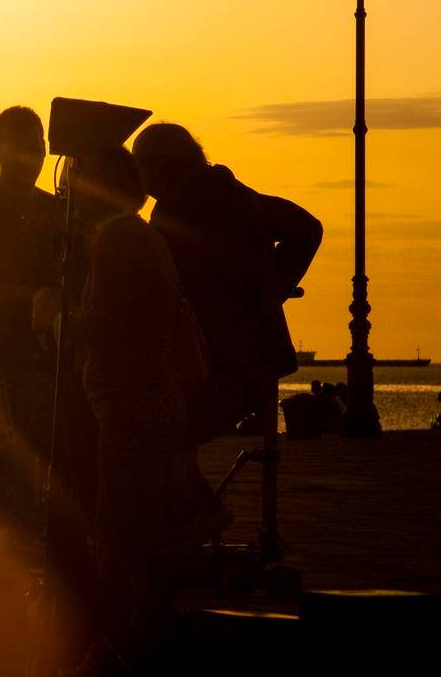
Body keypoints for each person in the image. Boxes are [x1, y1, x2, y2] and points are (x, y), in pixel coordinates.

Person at [42, 146, 186, 677]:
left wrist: (55, 319)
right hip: (138, 397)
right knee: (130, 531)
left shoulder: (119, 236)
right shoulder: (137, 234)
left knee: (124, 538)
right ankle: (128, 653)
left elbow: (102, 323)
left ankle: (118, 662)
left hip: (130, 400)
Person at [131, 123, 322, 442]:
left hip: (216, 358)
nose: (136, 174)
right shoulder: (232, 193)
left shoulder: (178, 209)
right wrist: (273, 287)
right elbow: (306, 227)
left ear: (162, 163)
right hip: (255, 353)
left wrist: (270, 288)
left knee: (163, 441)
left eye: (139, 163)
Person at [0, 106, 63, 535]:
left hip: (50, 354)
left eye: (38, 148)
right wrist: (31, 296)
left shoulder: (58, 211)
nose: (32, 158)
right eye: (21, 149)